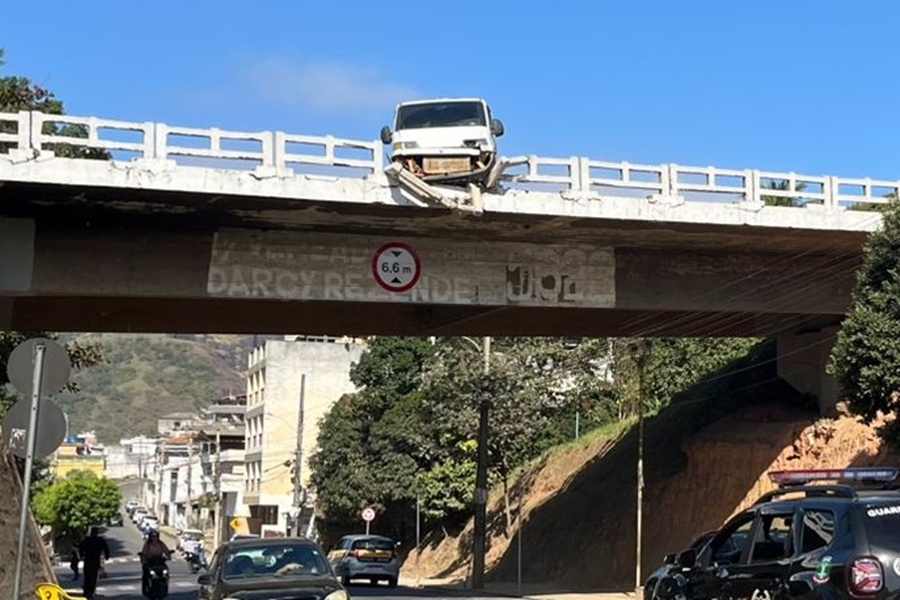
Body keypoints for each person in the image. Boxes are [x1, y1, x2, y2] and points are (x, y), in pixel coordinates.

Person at [78, 527, 110, 600]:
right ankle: (90, 592)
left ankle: (87, 592)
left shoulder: (87, 540)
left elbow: (81, 547)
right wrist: (107, 556)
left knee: (87, 578)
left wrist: (81, 555)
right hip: (94, 561)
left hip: (88, 560)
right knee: (93, 578)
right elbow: (106, 548)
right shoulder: (100, 540)